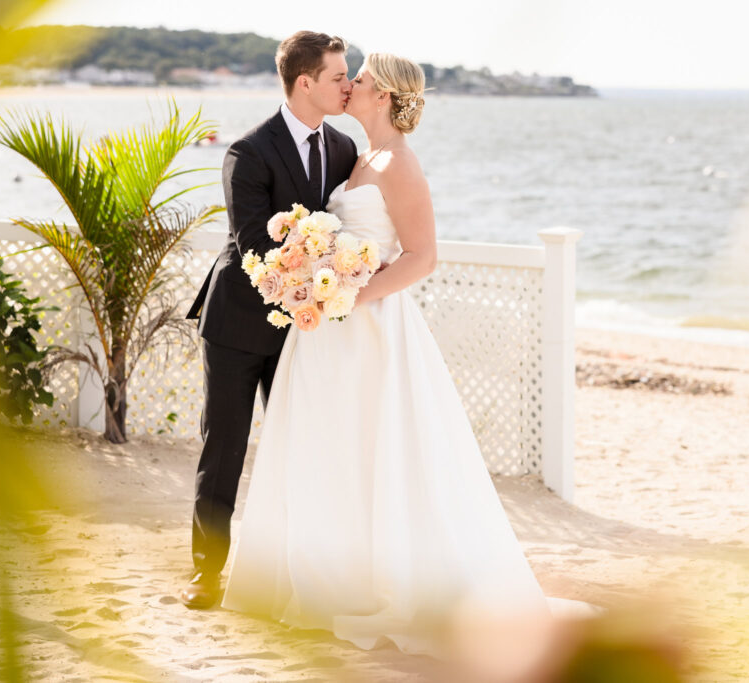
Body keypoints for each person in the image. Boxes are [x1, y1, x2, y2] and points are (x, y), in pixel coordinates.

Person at [220, 53, 595, 655]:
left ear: (385, 96)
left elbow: (423, 255)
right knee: (330, 450)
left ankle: (381, 584)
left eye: (359, 79)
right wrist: (317, 277)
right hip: (331, 326)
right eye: (347, 77)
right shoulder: (358, 157)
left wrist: (349, 295)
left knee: (376, 448)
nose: (350, 85)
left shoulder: (398, 164)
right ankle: (326, 579)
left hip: (371, 329)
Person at [181, 31, 358, 609]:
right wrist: (326, 262)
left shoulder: (344, 150)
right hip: (236, 326)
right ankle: (206, 574)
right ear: (305, 82)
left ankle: (297, 574)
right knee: (225, 449)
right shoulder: (248, 151)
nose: (348, 85)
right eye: (338, 76)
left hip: (301, 329)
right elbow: (254, 242)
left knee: (302, 446)